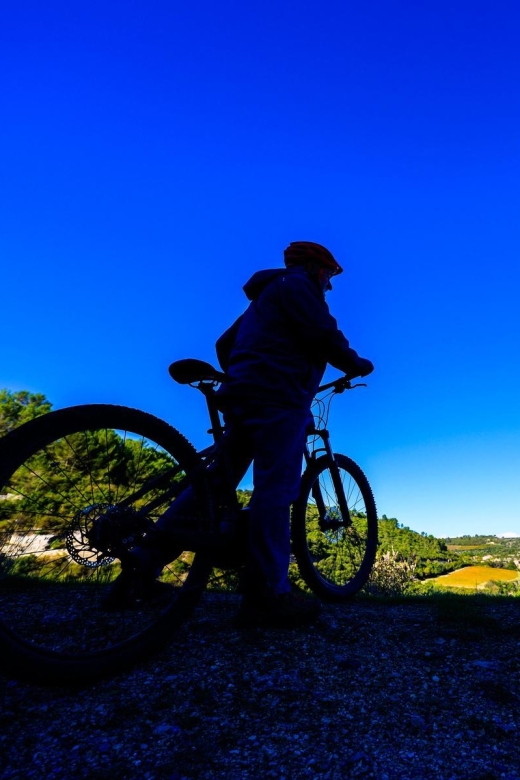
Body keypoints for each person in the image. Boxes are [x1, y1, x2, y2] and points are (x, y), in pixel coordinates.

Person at [103, 241, 373, 628]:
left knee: (209, 487)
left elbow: (223, 344)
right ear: (317, 268)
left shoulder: (263, 298)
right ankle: (269, 594)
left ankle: (139, 570)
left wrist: (247, 372)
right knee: (276, 490)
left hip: (245, 395)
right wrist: (357, 363)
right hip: (278, 396)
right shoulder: (298, 285)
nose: (330, 284)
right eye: (329, 275)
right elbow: (323, 333)